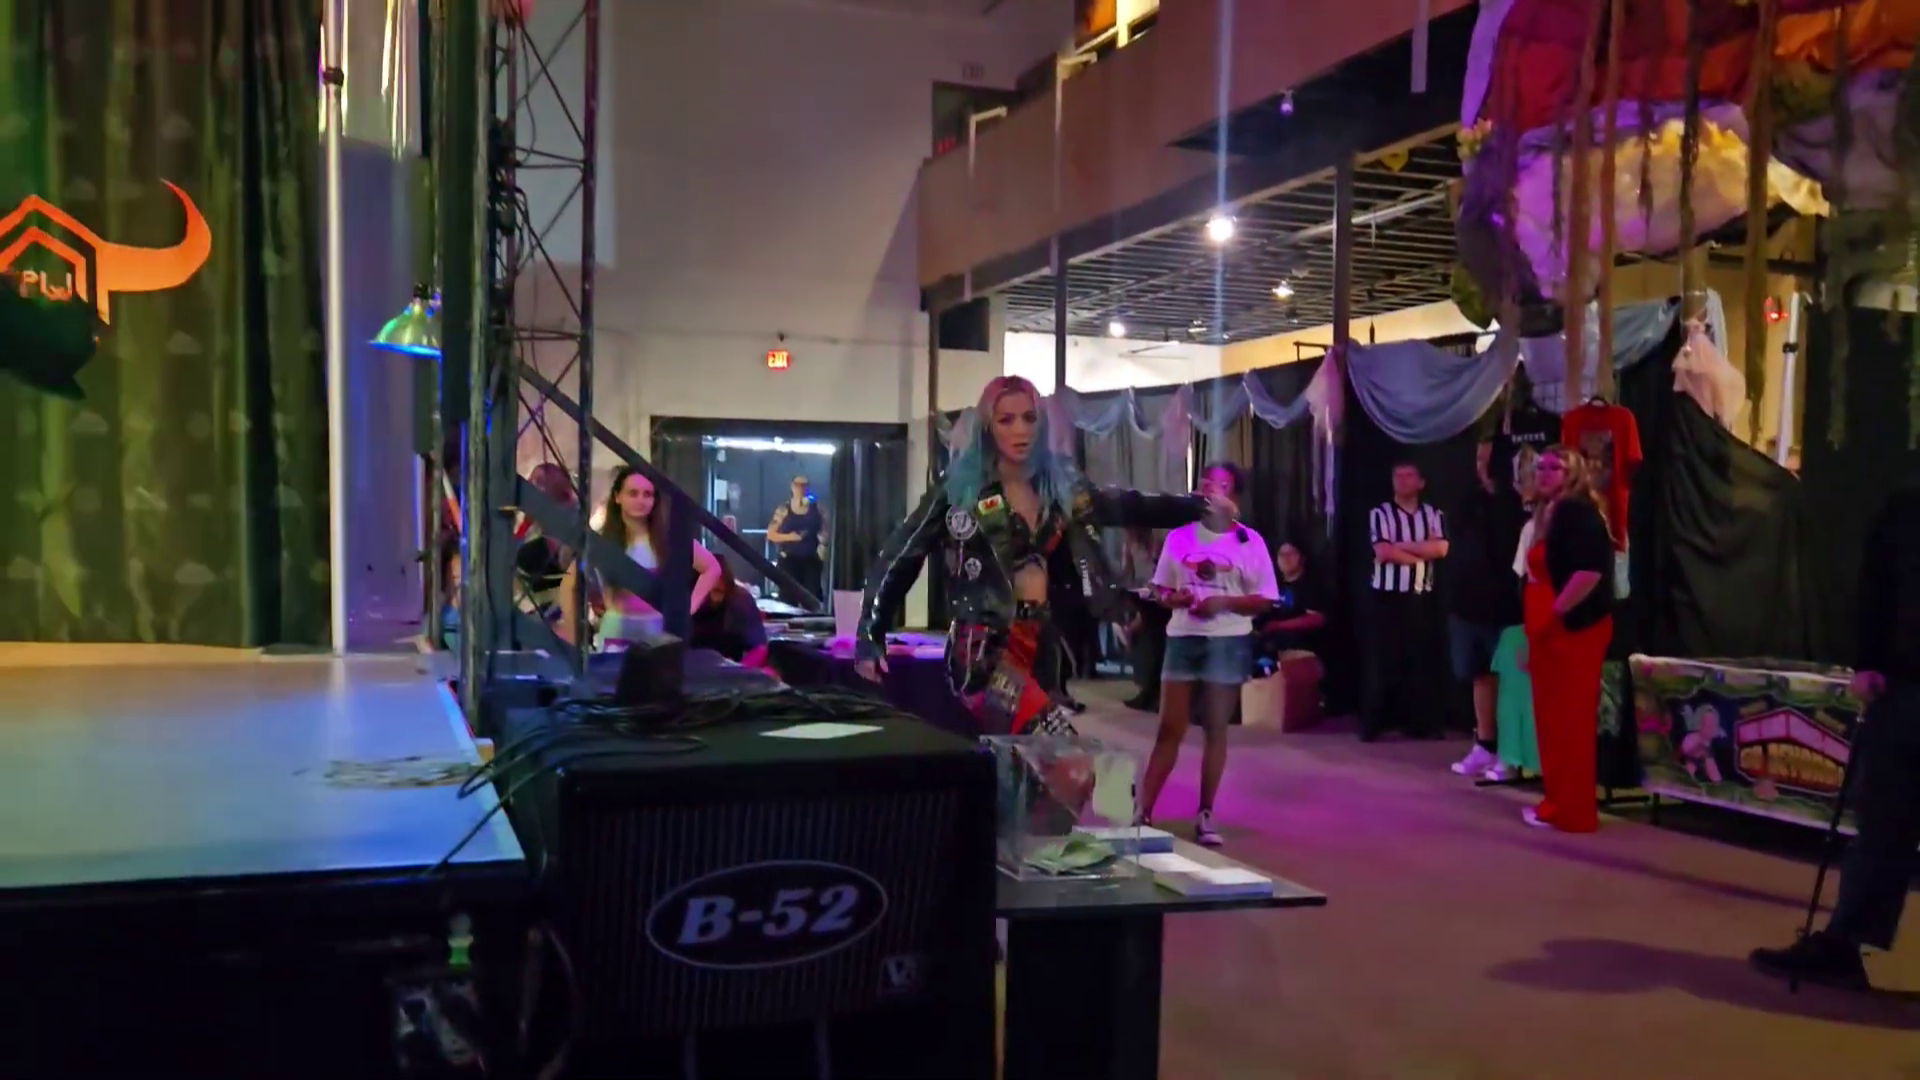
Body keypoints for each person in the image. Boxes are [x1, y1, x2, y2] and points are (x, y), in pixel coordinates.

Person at [853, 375, 1210, 735]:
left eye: (1029, 418)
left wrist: (1197, 507)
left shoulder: (1059, 484)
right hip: (984, 648)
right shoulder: (960, 489)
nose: (1020, 430)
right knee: (1062, 752)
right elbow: (901, 554)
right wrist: (870, 632)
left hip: (1042, 641)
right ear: (987, 427)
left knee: (1022, 759)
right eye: (1006, 420)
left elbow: (1124, 505)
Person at [1751, 485, 1920, 991]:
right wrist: (1868, 660)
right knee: (1883, 820)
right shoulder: (1906, 507)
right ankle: (1844, 944)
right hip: (1905, 685)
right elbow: (1877, 583)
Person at [1133, 462, 1277, 847]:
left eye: (1222, 486)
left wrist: (1224, 603)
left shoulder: (1249, 542)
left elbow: (1265, 598)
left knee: (1215, 728)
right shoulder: (1180, 537)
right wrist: (1174, 598)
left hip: (1226, 641)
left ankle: (1206, 812)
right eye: (1206, 484)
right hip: (1183, 638)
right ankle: (1143, 810)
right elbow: (1160, 589)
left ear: (1235, 497)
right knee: (1170, 727)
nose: (1211, 492)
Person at [1519, 445, 1614, 832]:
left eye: (1554, 467)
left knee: (1570, 720)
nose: (1544, 472)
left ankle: (1573, 811)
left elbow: (1589, 573)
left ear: (1572, 473)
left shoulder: (1577, 512)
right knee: (1551, 720)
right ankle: (1556, 801)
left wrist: (1553, 615)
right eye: (1540, 466)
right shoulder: (1549, 512)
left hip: (1574, 627)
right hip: (1548, 625)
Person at [557, 466, 723, 650]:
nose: (640, 500)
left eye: (647, 494)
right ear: (617, 497)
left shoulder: (670, 540)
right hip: (617, 632)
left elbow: (712, 568)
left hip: (658, 632)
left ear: (654, 500)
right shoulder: (601, 541)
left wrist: (688, 609)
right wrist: (572, 635)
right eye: (633, 493)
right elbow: (569, 585)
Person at [1449, 440, 1529, 777]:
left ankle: (1511, 753)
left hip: (1504, 608)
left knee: (1508, 679)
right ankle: (1485, 744)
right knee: (1479, 675)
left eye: (1488, 459)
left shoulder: (1516, 507)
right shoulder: (1467, 501)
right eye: (1478, 458)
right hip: (1467, 604)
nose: (1482, 465)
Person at [1360, 461, 1449, 741]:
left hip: (1420, 596)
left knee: (1419, 660)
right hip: (1385, 596)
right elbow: (1383, 552)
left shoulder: (1433, 514)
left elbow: (1441, 548)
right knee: (1381, 660)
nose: (1402, 480)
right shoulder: (1380, 514)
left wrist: (1400, 546)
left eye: (1409, 475)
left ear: (1421, 482)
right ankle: (1373, 723)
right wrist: (1420, 555)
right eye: (1397, 475)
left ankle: (1419, 723)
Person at [514, 462, 577, 624]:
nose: (533, 485)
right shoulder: (529, 525)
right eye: (533, 480)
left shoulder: (570, 520)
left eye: (540, 481)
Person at [688, 562, 773, 672]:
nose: (708, 597)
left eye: (716, 591)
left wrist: (738, 670)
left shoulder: (740, 602)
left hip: (728, 673)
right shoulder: (681, 601)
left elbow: (759, 648)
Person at [1121, 526, 1169, 712]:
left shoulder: (1160, 539)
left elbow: (1165, 570)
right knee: (1147, 642)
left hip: (1161, 598)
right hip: (1142, 598)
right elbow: (1127, 575)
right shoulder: (1129, 544)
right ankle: (1148, 691)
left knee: (1157, 644)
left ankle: (1154, 693)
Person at [1255, 540, 1329, 659]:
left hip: (1301, 651)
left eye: (1291, 553)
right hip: (1270, 650)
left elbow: (1317, 619)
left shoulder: (1310, 586)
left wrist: (1278, 626)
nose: (1286, 558)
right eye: (1282, 554)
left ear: (1302, 558)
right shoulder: (1275, 587)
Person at [767, 476, 826, 601]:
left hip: (810, 560)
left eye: (804, 485)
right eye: (798, 485)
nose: (801, 489)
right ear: (792, 487)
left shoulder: (817, 508)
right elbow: (771, 535)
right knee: (788, 597)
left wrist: (823, 543)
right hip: (789, 559)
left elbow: (826, 529)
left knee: (812, 597)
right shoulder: (784, 509)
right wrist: (790, 537)